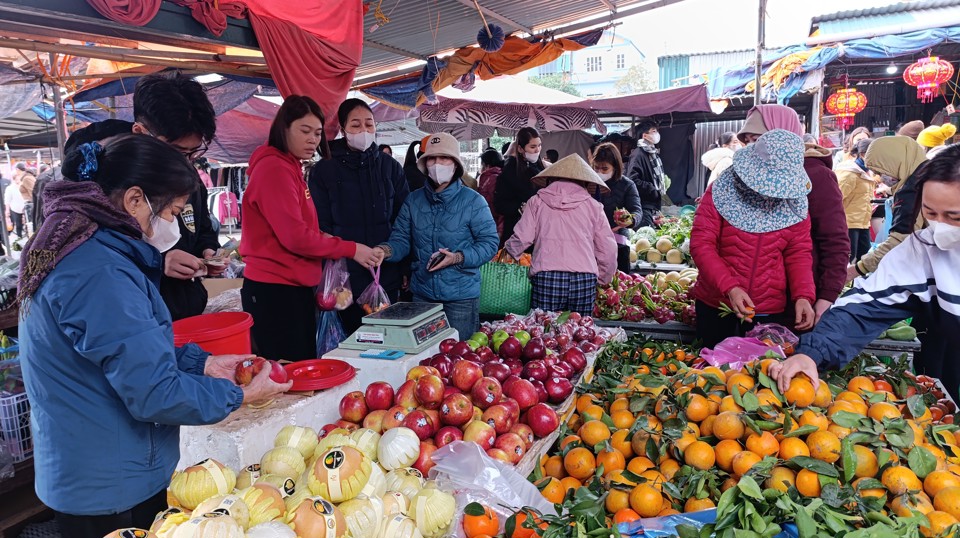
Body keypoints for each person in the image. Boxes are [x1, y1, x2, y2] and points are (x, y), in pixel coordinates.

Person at [18, 135, 290, 537]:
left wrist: (204, 363)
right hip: (110, 483)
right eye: (173, 211)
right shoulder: (100, 272)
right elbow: (154, 392)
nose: (174, 225)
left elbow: (122, 350)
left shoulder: (82, 248)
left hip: (92, 464)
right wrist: (243, 395)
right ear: (134, 201)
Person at [769, 145, 960, 401]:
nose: (939, 228)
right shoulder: (923, 250)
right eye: (930, 214)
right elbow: (863, 307)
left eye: (953, 216)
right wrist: (811, 353)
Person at [62, 72, 222, 321]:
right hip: (138, 315)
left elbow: (202, 228)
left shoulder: (188, 177)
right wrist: (159, 261)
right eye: (177, 151)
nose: (185, 162)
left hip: (185, 309)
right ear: (140, 131)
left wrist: (208, 251)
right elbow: (98, 260)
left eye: (193, 153)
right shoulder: (105, 184)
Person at [241, 96, 382, 361]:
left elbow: (297, 227)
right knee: (290, 371)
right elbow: (295, 238)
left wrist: (322, 237)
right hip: (276, 290)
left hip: (292, 287)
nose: (313, 140)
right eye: (304, 131)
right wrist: (350, 249)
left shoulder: (291, 167)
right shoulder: (274, 169)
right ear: (283, 129)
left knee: (300, 365)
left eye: (317, 133)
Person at [690, 130, 816, 348]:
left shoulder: (795, 204)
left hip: (768, 308)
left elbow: (798, 252)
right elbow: (702, 245)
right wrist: (730, 287)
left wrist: (803, 295)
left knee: (763, 375)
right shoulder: (722, 191)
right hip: (716, 304)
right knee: (712, 375)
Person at [374, 133, 498, 339]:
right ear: (424, 164)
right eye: (431, 158)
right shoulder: (413, 201)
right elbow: (401, 239)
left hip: (461, 298)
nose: (437, 163)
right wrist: (385, 250)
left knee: (461, 358)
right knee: (424, 361)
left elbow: (489, 243)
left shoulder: (473, 201)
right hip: (422, 295)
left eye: (444, 158)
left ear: (456, 164)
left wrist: (458, 257)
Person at [738, 104, 849, 324]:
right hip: (755, 296)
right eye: (748, 141)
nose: (753, 147)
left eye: (758, 139)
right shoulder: (749, 176)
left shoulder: (816, 175)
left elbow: (834, 239)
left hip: (799, 297)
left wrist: (827, 295)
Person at [309, 99, 410, 334]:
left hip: (384, 271)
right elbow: (320, 224)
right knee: (352, 340)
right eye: (355, 125)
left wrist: (402, 263)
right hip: (344, 276)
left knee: (387, 338)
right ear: (343, 129)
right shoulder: (325, 169)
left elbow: (403, 221)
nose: (363, 131)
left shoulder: (390, 167)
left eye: (369, 124)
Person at [506, 155, 617, 314]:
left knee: (544, 332)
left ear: (551, 179)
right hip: (584, 280)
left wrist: (508, 252)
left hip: (547, 277)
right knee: (581, 333)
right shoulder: (594, 206)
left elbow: (522, 237)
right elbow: (608, 248)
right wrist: (604, 278)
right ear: (585, 182)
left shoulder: (536, 201)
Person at [850, 136, 928, 280]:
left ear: (894, 161)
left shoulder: (913, 189)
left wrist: (857, 269)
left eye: (881, 172)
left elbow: (900, 240)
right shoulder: (929, 174)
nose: (880, 178)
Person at [593, 142, 641, 272]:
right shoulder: (589, 184)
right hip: (591, 244)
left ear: (615, 167)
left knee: (619, 282)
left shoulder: (627, 185)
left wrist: (630, 220)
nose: (599, 172)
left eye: (604, 169)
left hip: (618, 243)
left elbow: (637, 211)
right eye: (596, 168)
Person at [494, 127, 545, 247]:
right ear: (520, 148)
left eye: (539, 145)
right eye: (532, 147)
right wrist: (520, 207)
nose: (537, 150)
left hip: (541, 230)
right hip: (517, 231)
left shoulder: (541, 166)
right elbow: (499, 204)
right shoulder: (509, 171)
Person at [836, 138, 875, 263]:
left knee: (864, 260)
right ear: (863, 154)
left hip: (863, 223)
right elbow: (836, 199)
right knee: (849, 260)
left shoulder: (865, 172)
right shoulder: (849, 173)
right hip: (848, 224)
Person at [625, 119, 665, 227]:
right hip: (643, 206)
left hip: (650, 205)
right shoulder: (639, 154)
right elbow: (632, 180)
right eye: (653, 131)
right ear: (645, 136)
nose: (657, 134)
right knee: (644, 238)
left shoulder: (651, 153)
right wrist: (652, 188)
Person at [477, 147, 504, 236]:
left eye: (482, 164)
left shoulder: (493, 178)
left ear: (487, 165)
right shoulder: (487, 177)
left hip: (493, 224)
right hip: (487, 222)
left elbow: (499, 205)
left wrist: (499, 230)